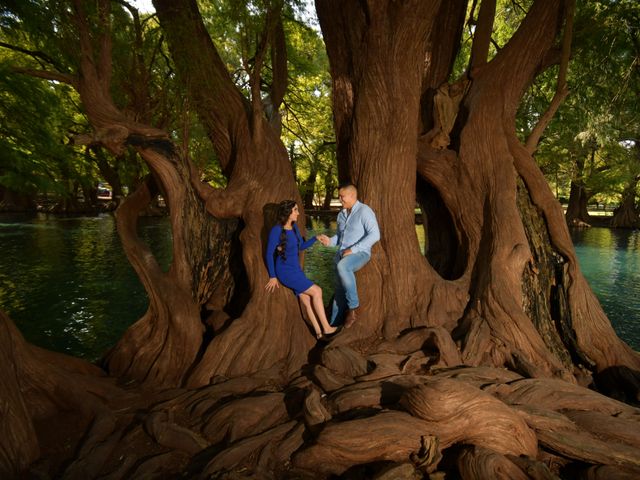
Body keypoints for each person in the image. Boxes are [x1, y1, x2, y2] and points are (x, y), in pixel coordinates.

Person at [265, 200, 338, 340]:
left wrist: (315, 238)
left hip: (296, 270)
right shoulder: (276, 230)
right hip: (285, 271)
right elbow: (269, 253)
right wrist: (273, 276)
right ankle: (327, 329)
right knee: (317, 291)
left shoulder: (294, 228)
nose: (298, 213)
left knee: (306, 299)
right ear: (288, 213)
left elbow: (301, 247)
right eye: (296, 210)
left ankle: (319, 333)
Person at [318, 184, 380, 328]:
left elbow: (375, 234)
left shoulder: (365, 211)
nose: (340, 199)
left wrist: (353, 249)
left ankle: (353, 308)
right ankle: (332, 327)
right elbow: (339, 238)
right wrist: (329, 241)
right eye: (339, 196)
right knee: (339, 292)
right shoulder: (341, 214)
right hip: (341, 255)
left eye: (342, 196)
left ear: (352, 195)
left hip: (360, 254)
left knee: (343, 266)